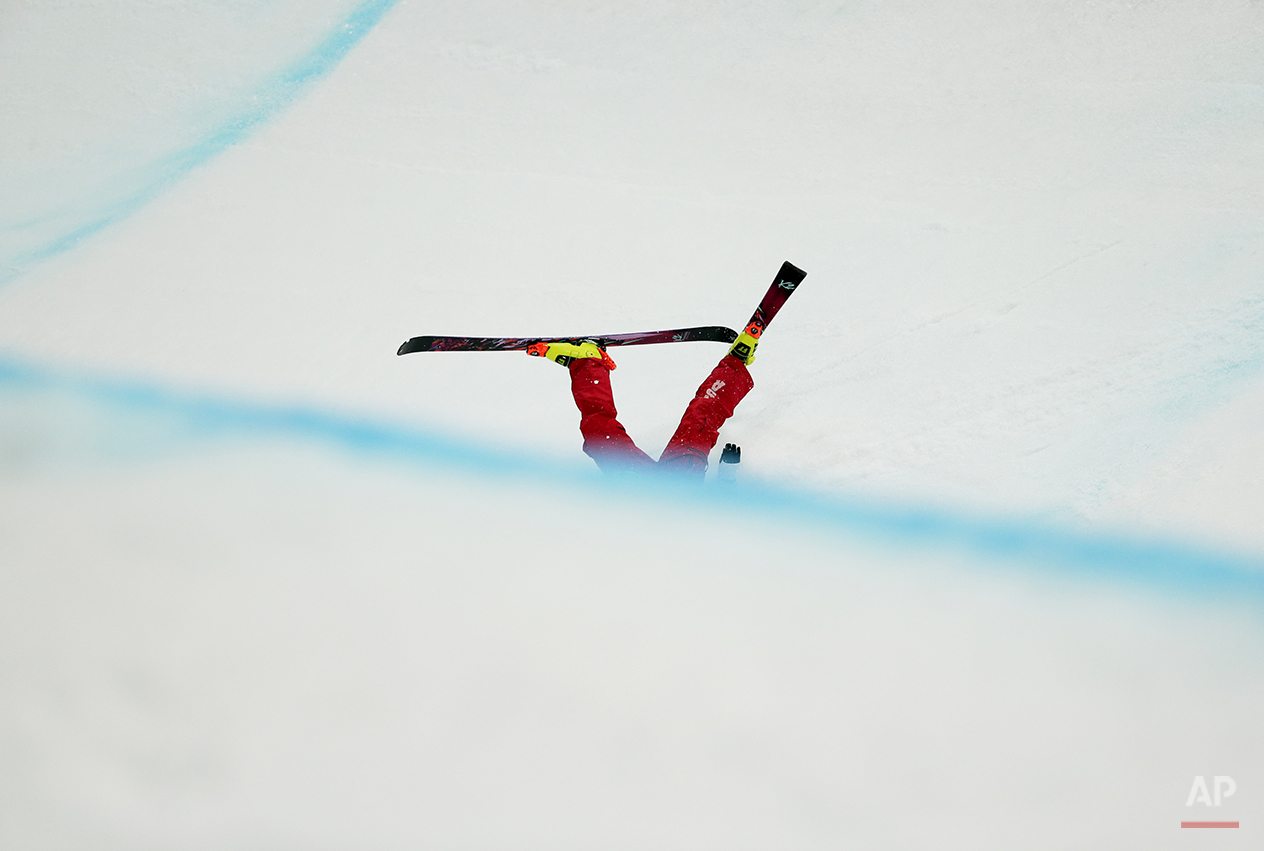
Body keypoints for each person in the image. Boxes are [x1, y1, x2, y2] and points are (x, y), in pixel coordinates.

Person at [525, 329, 759, 478]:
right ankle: (735, 363)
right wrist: (728, 476)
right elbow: (725, 517)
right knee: (700, 419)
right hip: (682, 488)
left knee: (598, 436)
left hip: (637, 496)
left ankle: (588, 359)